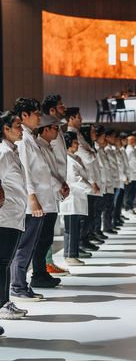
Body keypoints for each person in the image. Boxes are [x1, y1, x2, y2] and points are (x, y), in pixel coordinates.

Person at [11, 98, 53, 301]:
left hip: (39, 201)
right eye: (36, 113)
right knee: (24, 246)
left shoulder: (30, 138)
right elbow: (25, 172)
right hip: (31, 204)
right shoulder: (23, 140)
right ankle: (17, 286)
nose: (39, 118)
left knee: (30, 245)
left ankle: (21, 284)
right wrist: (32, 198)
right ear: (24, 115)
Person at [33, 115, 69, 288]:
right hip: (43, 198)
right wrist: (59, 185)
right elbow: (44, 173)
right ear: (45, 129)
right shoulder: (38, 146)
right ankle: (37, 275)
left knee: (46, 239)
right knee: (40, 241)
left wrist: (61, 185)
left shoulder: (47, 146)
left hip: (51, 197)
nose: (57, 131)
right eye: (54, 128)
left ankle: (41, 273)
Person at [0, 112, 29, 325]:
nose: (22, 129)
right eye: (18, 125)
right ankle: (2, 304)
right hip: (5, 216)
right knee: (2, 263)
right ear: (5, 129)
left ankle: (5, 301)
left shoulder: (12, 151)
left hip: (14, 215)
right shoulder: (3, 153)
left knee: (5, 262)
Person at [42, 94, 70, 276]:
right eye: (60, 106)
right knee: (43, 232)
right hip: (49, 185)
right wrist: (58, 182)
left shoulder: (57, 129)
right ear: (51, 110)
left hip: (58, 182)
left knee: (49, 230)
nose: (64, 109)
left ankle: (48, 262)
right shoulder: (47, 131)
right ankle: (45, 263)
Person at [60, 131, 93, 266]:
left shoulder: (75, 158)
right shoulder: (68, 160)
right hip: (71, 199)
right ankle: (69, 255)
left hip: (77, 198)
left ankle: (72, 254)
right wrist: (89, 187)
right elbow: (75, 179)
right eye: (75, 142)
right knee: (71, 229)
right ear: (68, 145)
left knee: (74, 228)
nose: (77, 144)